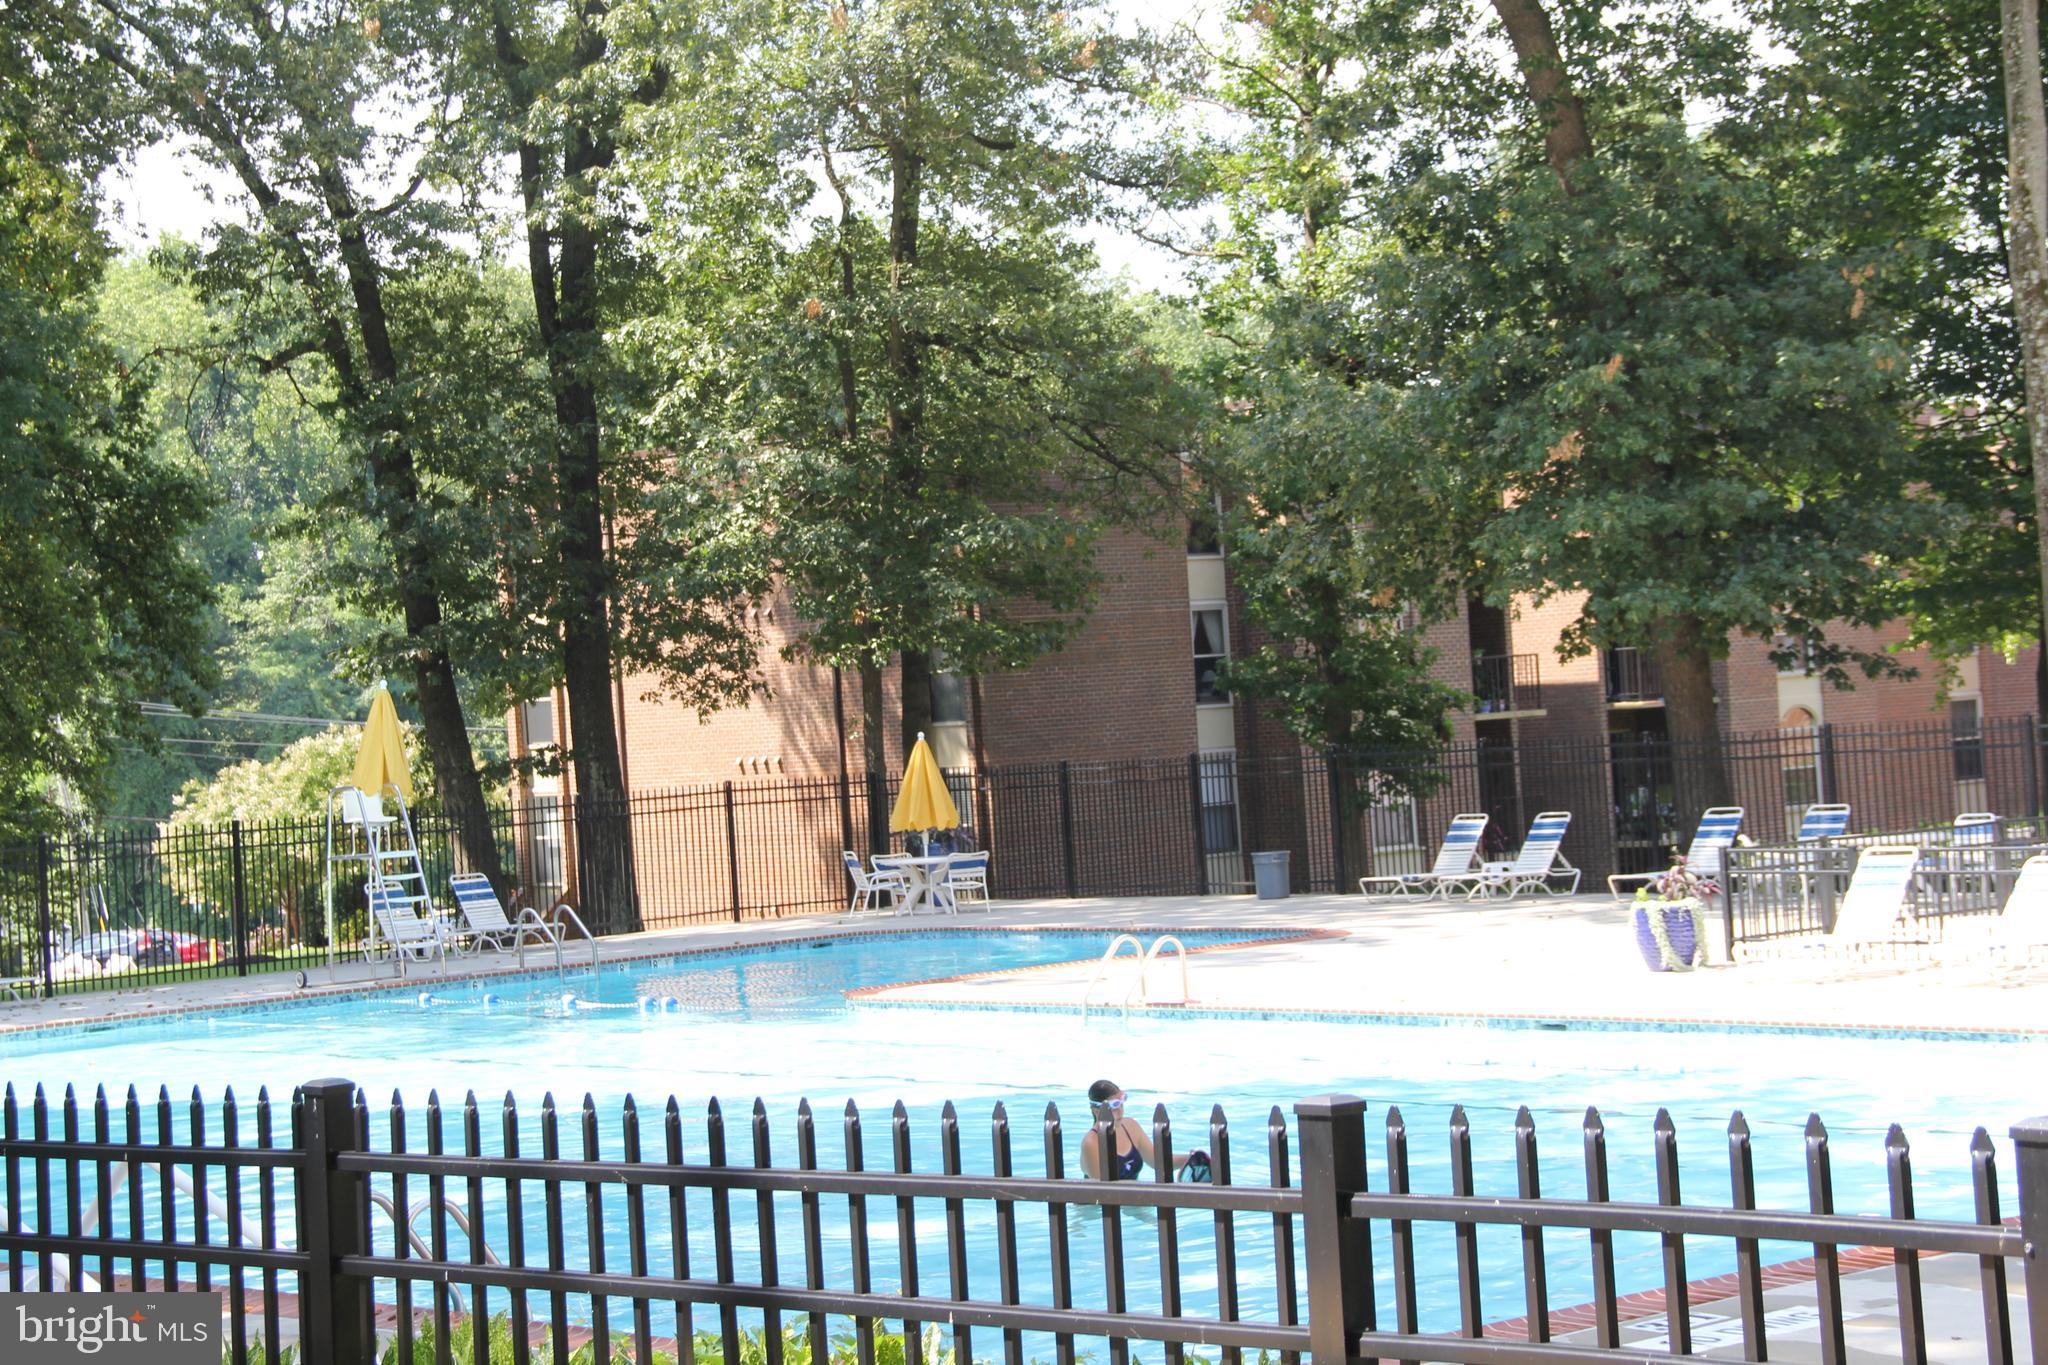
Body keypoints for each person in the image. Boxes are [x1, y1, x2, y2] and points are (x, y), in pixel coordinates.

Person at [1078, 1079, 1209, 1181]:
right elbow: (1101, 1190)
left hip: (1132, 1201)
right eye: (1114, 1105)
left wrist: (1191, 1159)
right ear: (1096, 1111)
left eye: (1122, 1101)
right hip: (1094, 1210)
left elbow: (1158, 1162)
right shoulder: (1091, 1143)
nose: (1120, 1109)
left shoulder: (1131, 1127)